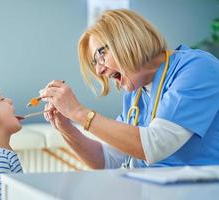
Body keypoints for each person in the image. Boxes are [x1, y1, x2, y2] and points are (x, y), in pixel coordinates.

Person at [39, 9, 219, 169]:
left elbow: (154, 145)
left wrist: (78, 112)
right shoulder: (134, 93)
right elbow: (106, 160)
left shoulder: (197, 68)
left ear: (125, 40)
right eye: (94, 63)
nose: (99, 70)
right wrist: (66, 127)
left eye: (100, 55)